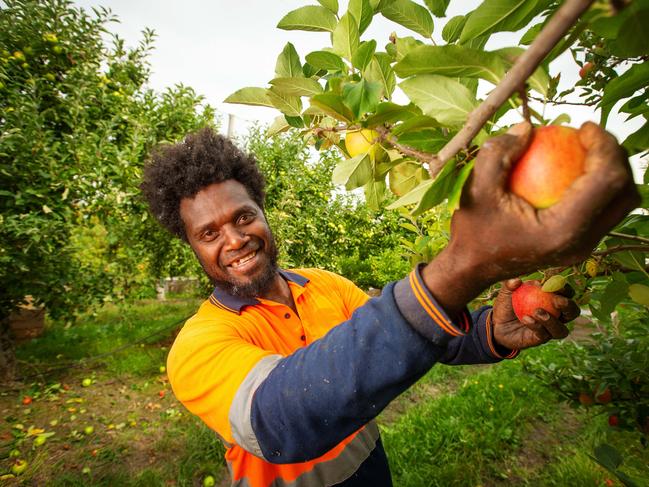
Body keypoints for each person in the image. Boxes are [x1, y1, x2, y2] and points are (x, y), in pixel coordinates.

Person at [140, 122, 638, 487]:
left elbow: (408, 337)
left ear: (264, 214)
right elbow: (282, 420)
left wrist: (490, 331)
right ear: (191, 247)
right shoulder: (197, 344)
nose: (235, 239)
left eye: (243, 216)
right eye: (209, 233)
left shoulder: (325, 285)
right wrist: (464, 264)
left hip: (370, 468)